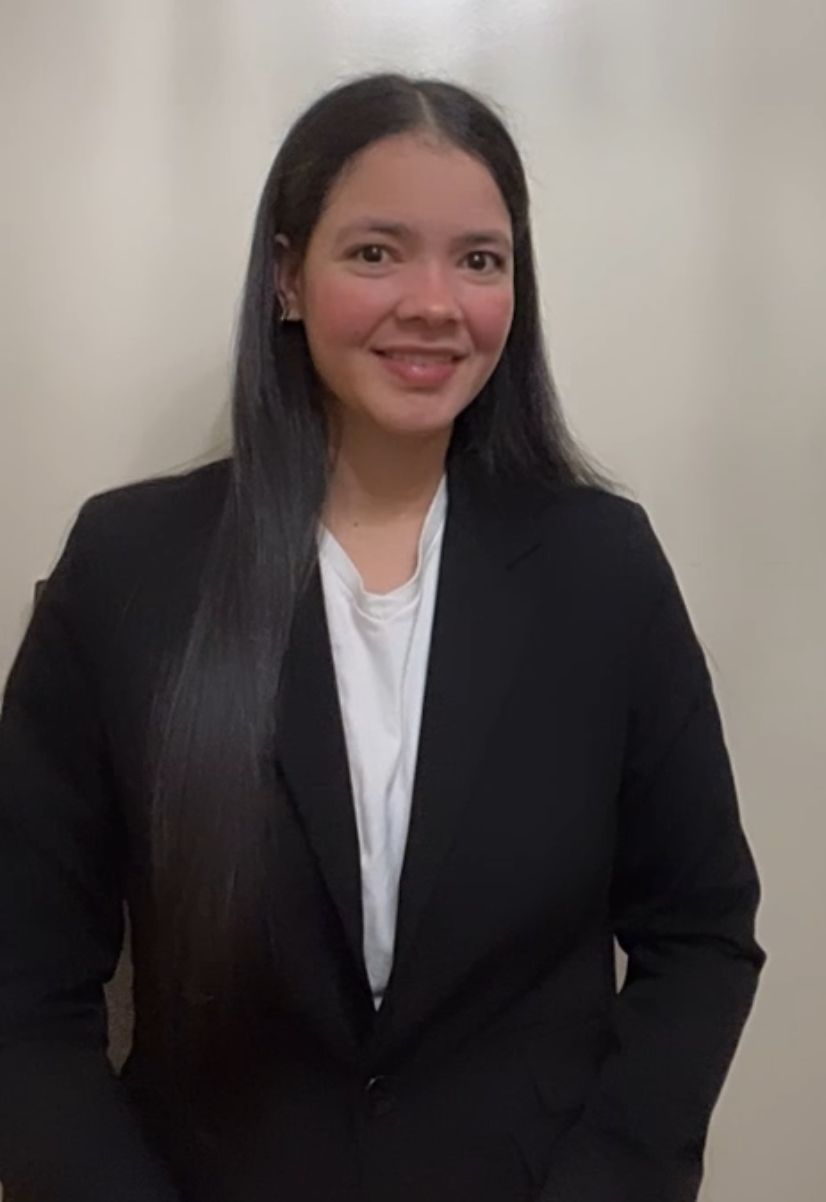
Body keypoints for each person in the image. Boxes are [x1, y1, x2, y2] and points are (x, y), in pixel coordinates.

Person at [0, 72, 764, 1202]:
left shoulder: (603, 568)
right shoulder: (129, 566)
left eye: (480, 259)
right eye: (374, 253)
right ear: (285, 277)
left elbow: (701, 935)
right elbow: (24, 980)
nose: (434, 302)